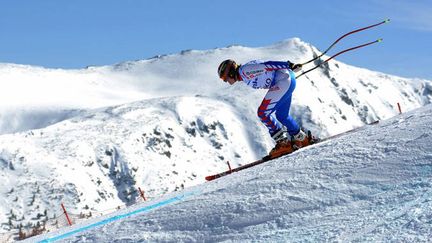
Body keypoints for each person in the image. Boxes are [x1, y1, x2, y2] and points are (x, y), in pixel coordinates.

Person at [217, 59, 314, 158]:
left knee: (262, 113)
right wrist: (288, 68)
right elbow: (267, 70)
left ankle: (283, 143)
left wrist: (288, 65)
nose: (226, 81)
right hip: (286, 80)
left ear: (231, 72)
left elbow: (267, 65)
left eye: (225, 77)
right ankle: (302, 138)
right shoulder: (244, 74)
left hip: (283, 82)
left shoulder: (245, 71)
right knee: (282, 115)